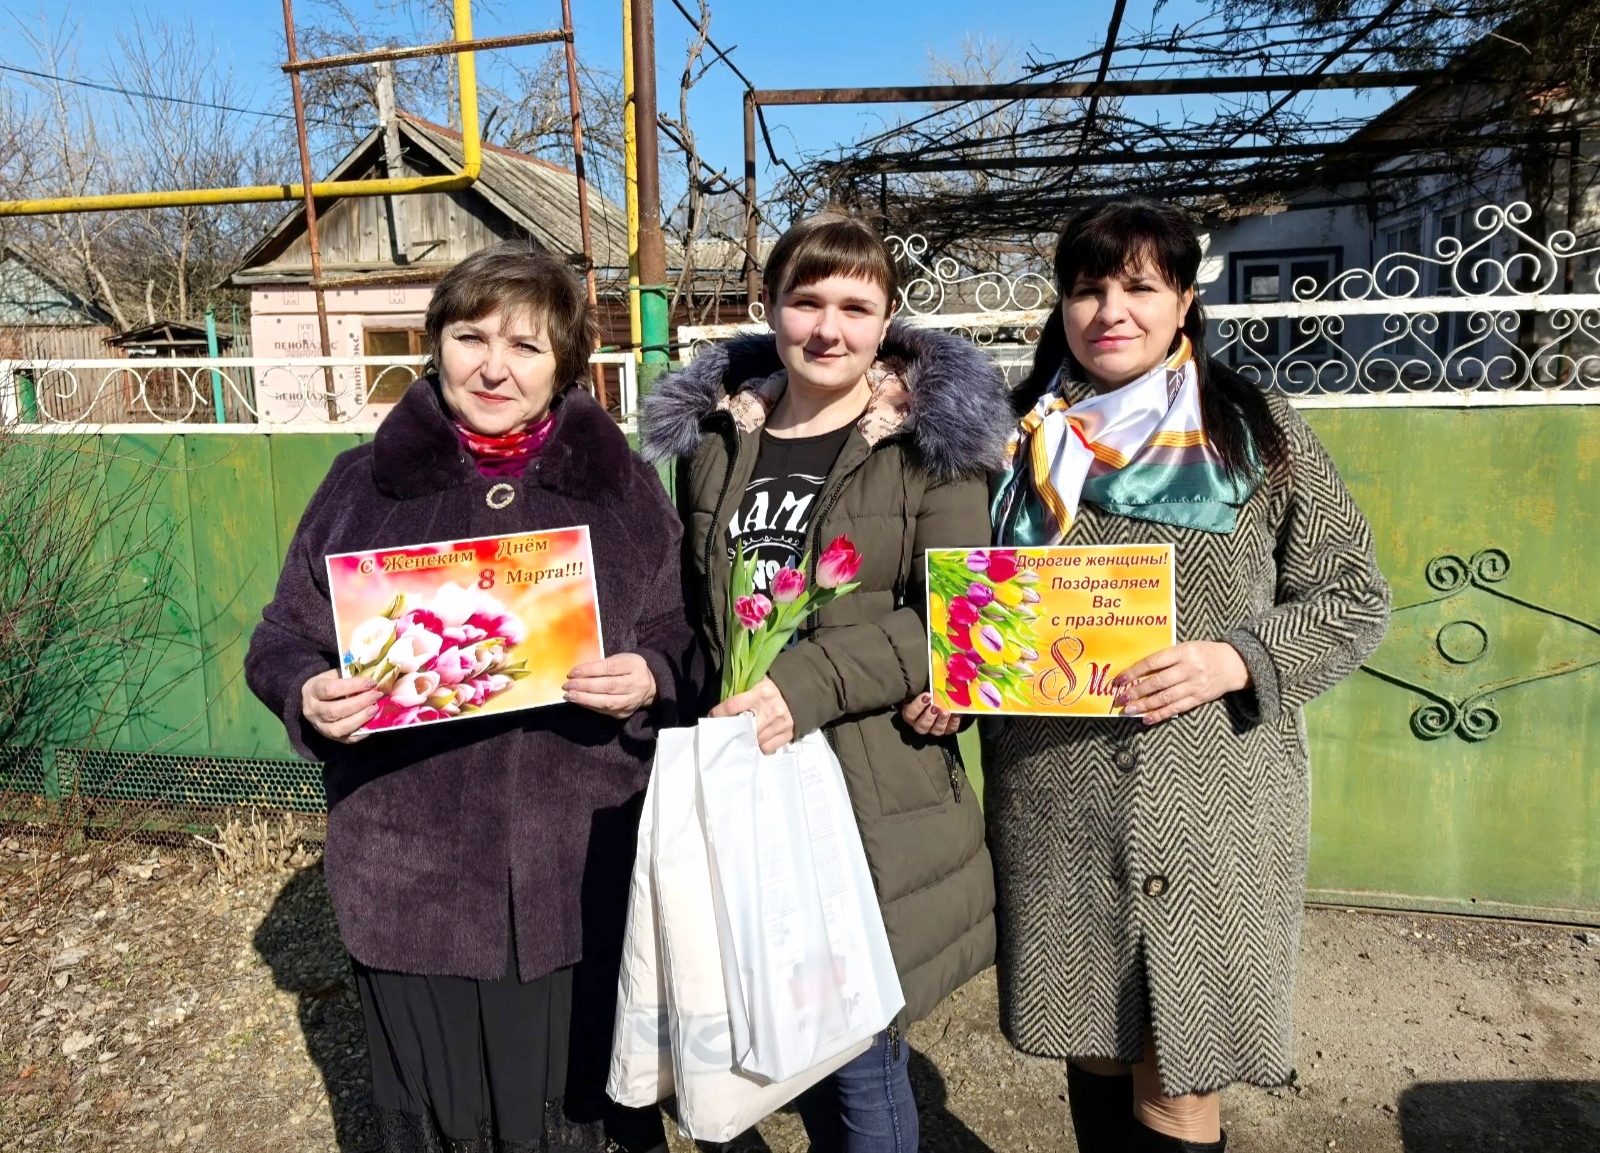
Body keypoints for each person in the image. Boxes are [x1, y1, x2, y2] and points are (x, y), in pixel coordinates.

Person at [245, 241, 697, 1153]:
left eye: (526, 345)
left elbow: (684, 634)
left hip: (579, 870)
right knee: (438, 1116)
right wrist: (308, 691)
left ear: (565, 365)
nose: (495, 367)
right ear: (436, 343)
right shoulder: (360, 487)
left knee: (574, 1111)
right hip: (411, 877)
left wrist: (651, 672)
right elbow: (282, 638)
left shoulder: (622, 489)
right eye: (471, 337)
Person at [982, 197, 1391, 1152]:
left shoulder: (1252, 428)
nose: (1110, 311)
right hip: (1057, 799)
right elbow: (962, 598)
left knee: (1179, 1081)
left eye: (1139, 286)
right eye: (1087, 289)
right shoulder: (1008, 439)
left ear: (1183, 301)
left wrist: (1236, 656)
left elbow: (1354, 595)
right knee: (1092, 1049)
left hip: (1215, 802)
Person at [641, 210, 1010, 1153]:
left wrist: (799, 686)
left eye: (856, 306)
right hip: (745, 776)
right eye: (807, 301)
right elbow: (696, 608)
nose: (828, 328)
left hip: (864, 782)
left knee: (856, 1059)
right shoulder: (719, 438)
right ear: (769, 306)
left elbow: (958, 614)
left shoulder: (930, 447)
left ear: (887, 322)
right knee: (766, 1028)